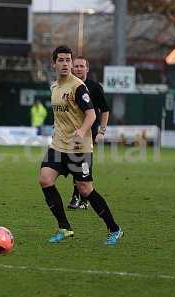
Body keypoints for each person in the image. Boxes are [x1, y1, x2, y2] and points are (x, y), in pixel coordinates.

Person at [38, 45, 122, 245]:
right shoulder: (54, 87)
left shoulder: (78, 87)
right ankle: (65, 228)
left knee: (85, 189)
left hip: (78, 148)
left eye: (68, 60)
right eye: (62, 60)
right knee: (45, 179)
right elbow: (62, 114)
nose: (66, 64)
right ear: (54, 64)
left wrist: (82, 131)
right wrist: (57, 126)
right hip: (59, 145)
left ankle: (115, 229)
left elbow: (92, 114)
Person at [68, 57, 111, 210]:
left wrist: (102, 131)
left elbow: (105, 110)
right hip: (71, 132)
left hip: (89, 132)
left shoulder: (94, 87)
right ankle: (79, 196)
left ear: (87, 69)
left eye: (81, 66)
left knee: (83, 163)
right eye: (76, 66)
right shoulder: (68, 86)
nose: (79, 69)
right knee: (74, 162)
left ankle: (81, 197)